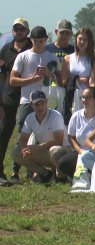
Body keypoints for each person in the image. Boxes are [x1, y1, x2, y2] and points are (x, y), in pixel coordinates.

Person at [9, 26, 61, 184]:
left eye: (41, 41)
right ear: (31, 40)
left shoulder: (51, 57)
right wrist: (32, 78)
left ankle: (44, 171)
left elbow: (60, 81)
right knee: (22, 136)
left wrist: (49, 74)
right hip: (26, 101)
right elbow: (12, 80)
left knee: (47, 136)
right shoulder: (23, 56)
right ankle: (15, 170)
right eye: (35, 40)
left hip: (48, 101)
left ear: (46, 40)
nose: (38, 43)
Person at [49, 86, 95, 180]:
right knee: (63, 163)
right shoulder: (76, 116)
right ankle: (78, 177)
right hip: (80, 151)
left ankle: (91, 176)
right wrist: (79, 151)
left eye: (88, 97)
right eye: (83, 97)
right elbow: (71, 137)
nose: (84, 100)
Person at [10, 90, 67, 184]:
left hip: (63, 152)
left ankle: (61, 176)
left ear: (46, 103)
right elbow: (23, 138)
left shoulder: (55, 116)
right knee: (15, 152)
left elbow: (59, 141)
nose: (40, 107)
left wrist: (37, 147)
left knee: (55, 150)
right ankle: (45, 174)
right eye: (37, 104)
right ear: (32, 105)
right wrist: (25, 149)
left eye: (42, 103)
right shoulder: (30, 118)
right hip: (46, 152)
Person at [0, 18, 32, 185]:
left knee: (27, 136)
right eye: (16, 29)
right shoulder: (5, 49)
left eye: (22, 29)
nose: (18, 32)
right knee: (3, 135)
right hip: (9, 99)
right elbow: (2, 76)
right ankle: (0, 172)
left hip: (28, 99)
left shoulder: (32, 48)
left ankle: (25, 172)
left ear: (27, 31)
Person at [63, 28, 95, 113]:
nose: (82, 42)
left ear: (89, 42)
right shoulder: (68, 58)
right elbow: (64, 81)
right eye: (80, 39)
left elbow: (93, 84)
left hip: (87, 99)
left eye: (85, 40)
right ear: (76, 39)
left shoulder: (93, 61)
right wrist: (76, 79)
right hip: (71, 97)